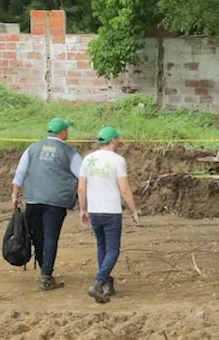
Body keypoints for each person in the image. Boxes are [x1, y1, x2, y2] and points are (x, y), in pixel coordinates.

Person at [11, 117, 82, 291]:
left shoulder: (32, 148)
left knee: (37, 235)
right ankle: (46, 276)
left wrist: (14, 194)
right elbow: (83, 176)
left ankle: (45, 270)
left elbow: (20, 172)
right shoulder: (69, 152)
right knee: (51, 237)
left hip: (33, 199)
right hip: (56, 202)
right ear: (63, 132)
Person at [78, 126, 141, 304]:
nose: (119, 142)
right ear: (113, 140)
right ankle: (99, 281)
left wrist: (83, 209)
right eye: (117, 139)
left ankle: (106, 284)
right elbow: (125, 189)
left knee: (102, 247)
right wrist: (134, 211)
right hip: (111, 210)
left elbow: (81, 187)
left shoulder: (88, 159)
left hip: (94, 210)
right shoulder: (117, 161)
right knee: (113, 249)